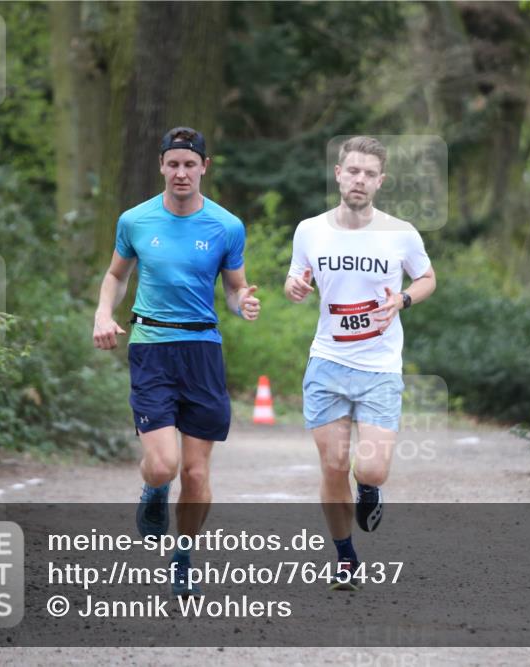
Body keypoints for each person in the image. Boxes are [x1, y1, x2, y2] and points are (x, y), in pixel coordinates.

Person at [93, 127, 260, 597]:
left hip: (202, 351)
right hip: (151, 349)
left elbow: (233, 288)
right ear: (161, 166)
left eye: (190, 164)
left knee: (197, 473)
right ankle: (152, 491)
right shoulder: (135, 220)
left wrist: (243, 302)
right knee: (164, 465)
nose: (181, 172)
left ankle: (183, 556)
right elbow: (115, 275)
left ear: (205, 167)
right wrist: (103, 313)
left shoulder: (226, 226)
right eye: (173, 164)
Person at [284, 136, 436, 591]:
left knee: (369, 469)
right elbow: (297, 273)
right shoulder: (310, 229)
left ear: (380, 181)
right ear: (338, 173)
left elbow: (427, 276)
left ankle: (369, 490)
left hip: (379, 365)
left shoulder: (401, 232)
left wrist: (404, 298)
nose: (360, 180)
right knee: (333, 467)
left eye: (369, 174)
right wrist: (294, 285)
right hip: (327, 362)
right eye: (353, 171)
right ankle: (345, 556)